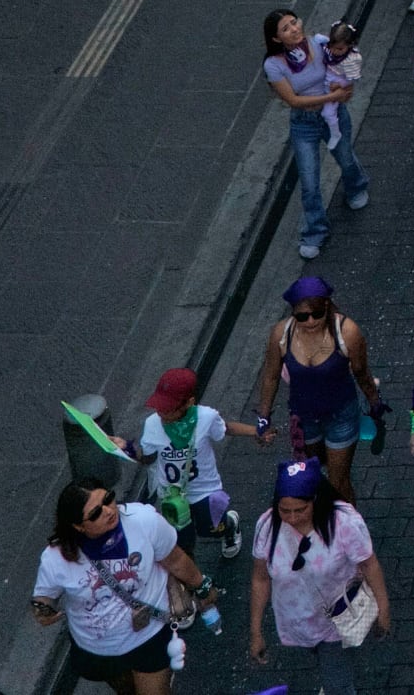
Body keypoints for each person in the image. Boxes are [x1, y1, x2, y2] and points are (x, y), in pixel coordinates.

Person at [34, 480, 213, 694]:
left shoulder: (144, 521)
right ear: (78, 526)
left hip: (150, 636)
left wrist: (202, 586)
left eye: (108, 499)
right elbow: (43, 599)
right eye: (95, 513)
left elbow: (175, 560)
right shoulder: (56, 558)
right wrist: (43, 611)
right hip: (99, 649)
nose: (109, 511)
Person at [248, 459, 391, 689]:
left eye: (300, 510)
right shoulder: (267, 527)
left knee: (337, 683)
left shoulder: (344, 523)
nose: (292, 518)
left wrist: (384, 609)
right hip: (296, 621)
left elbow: (369, 564)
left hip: (336, 622)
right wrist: (255, 631)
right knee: (322, 660)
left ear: (315, 500)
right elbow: (260, 578)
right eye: (284, 510)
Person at [249, 274, 381, 497]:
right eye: (302, 316)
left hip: (341, 416)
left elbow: (361, 372)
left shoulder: (347, 332)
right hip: (303, 418)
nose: (310, 321)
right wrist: (263, 417)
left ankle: (348, 529)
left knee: (338, 482)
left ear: (327, 306)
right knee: (312, 476)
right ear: (293, 313)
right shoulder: (281, 335)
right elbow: (270, 376)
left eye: (317, 314)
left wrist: (375, 402)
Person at [266, 9, 371, 261]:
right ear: (277, 39)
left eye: (294, 22)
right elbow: (293, 100)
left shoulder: (320, 43)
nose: (294, 29)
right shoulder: (273, 65)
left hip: (332, 113)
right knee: (309, 179)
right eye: (286, 28)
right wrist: (331, 97)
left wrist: (345, 88)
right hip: (305, 122)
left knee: (345, 156)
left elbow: (345, 64)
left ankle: (356, 187)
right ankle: (314, 232)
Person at [135, 367, 240, 559]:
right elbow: (148, 458)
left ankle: (231, 525)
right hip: (171, 494)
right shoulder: (152, 424)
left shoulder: (207, 418)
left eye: (168, 409)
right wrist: (127, 449)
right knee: (182, 542)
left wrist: (256, 431)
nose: (161, 413)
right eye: (159, 407)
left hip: (205, 491)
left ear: (189, 402)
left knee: (212, 529)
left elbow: (223, 431)